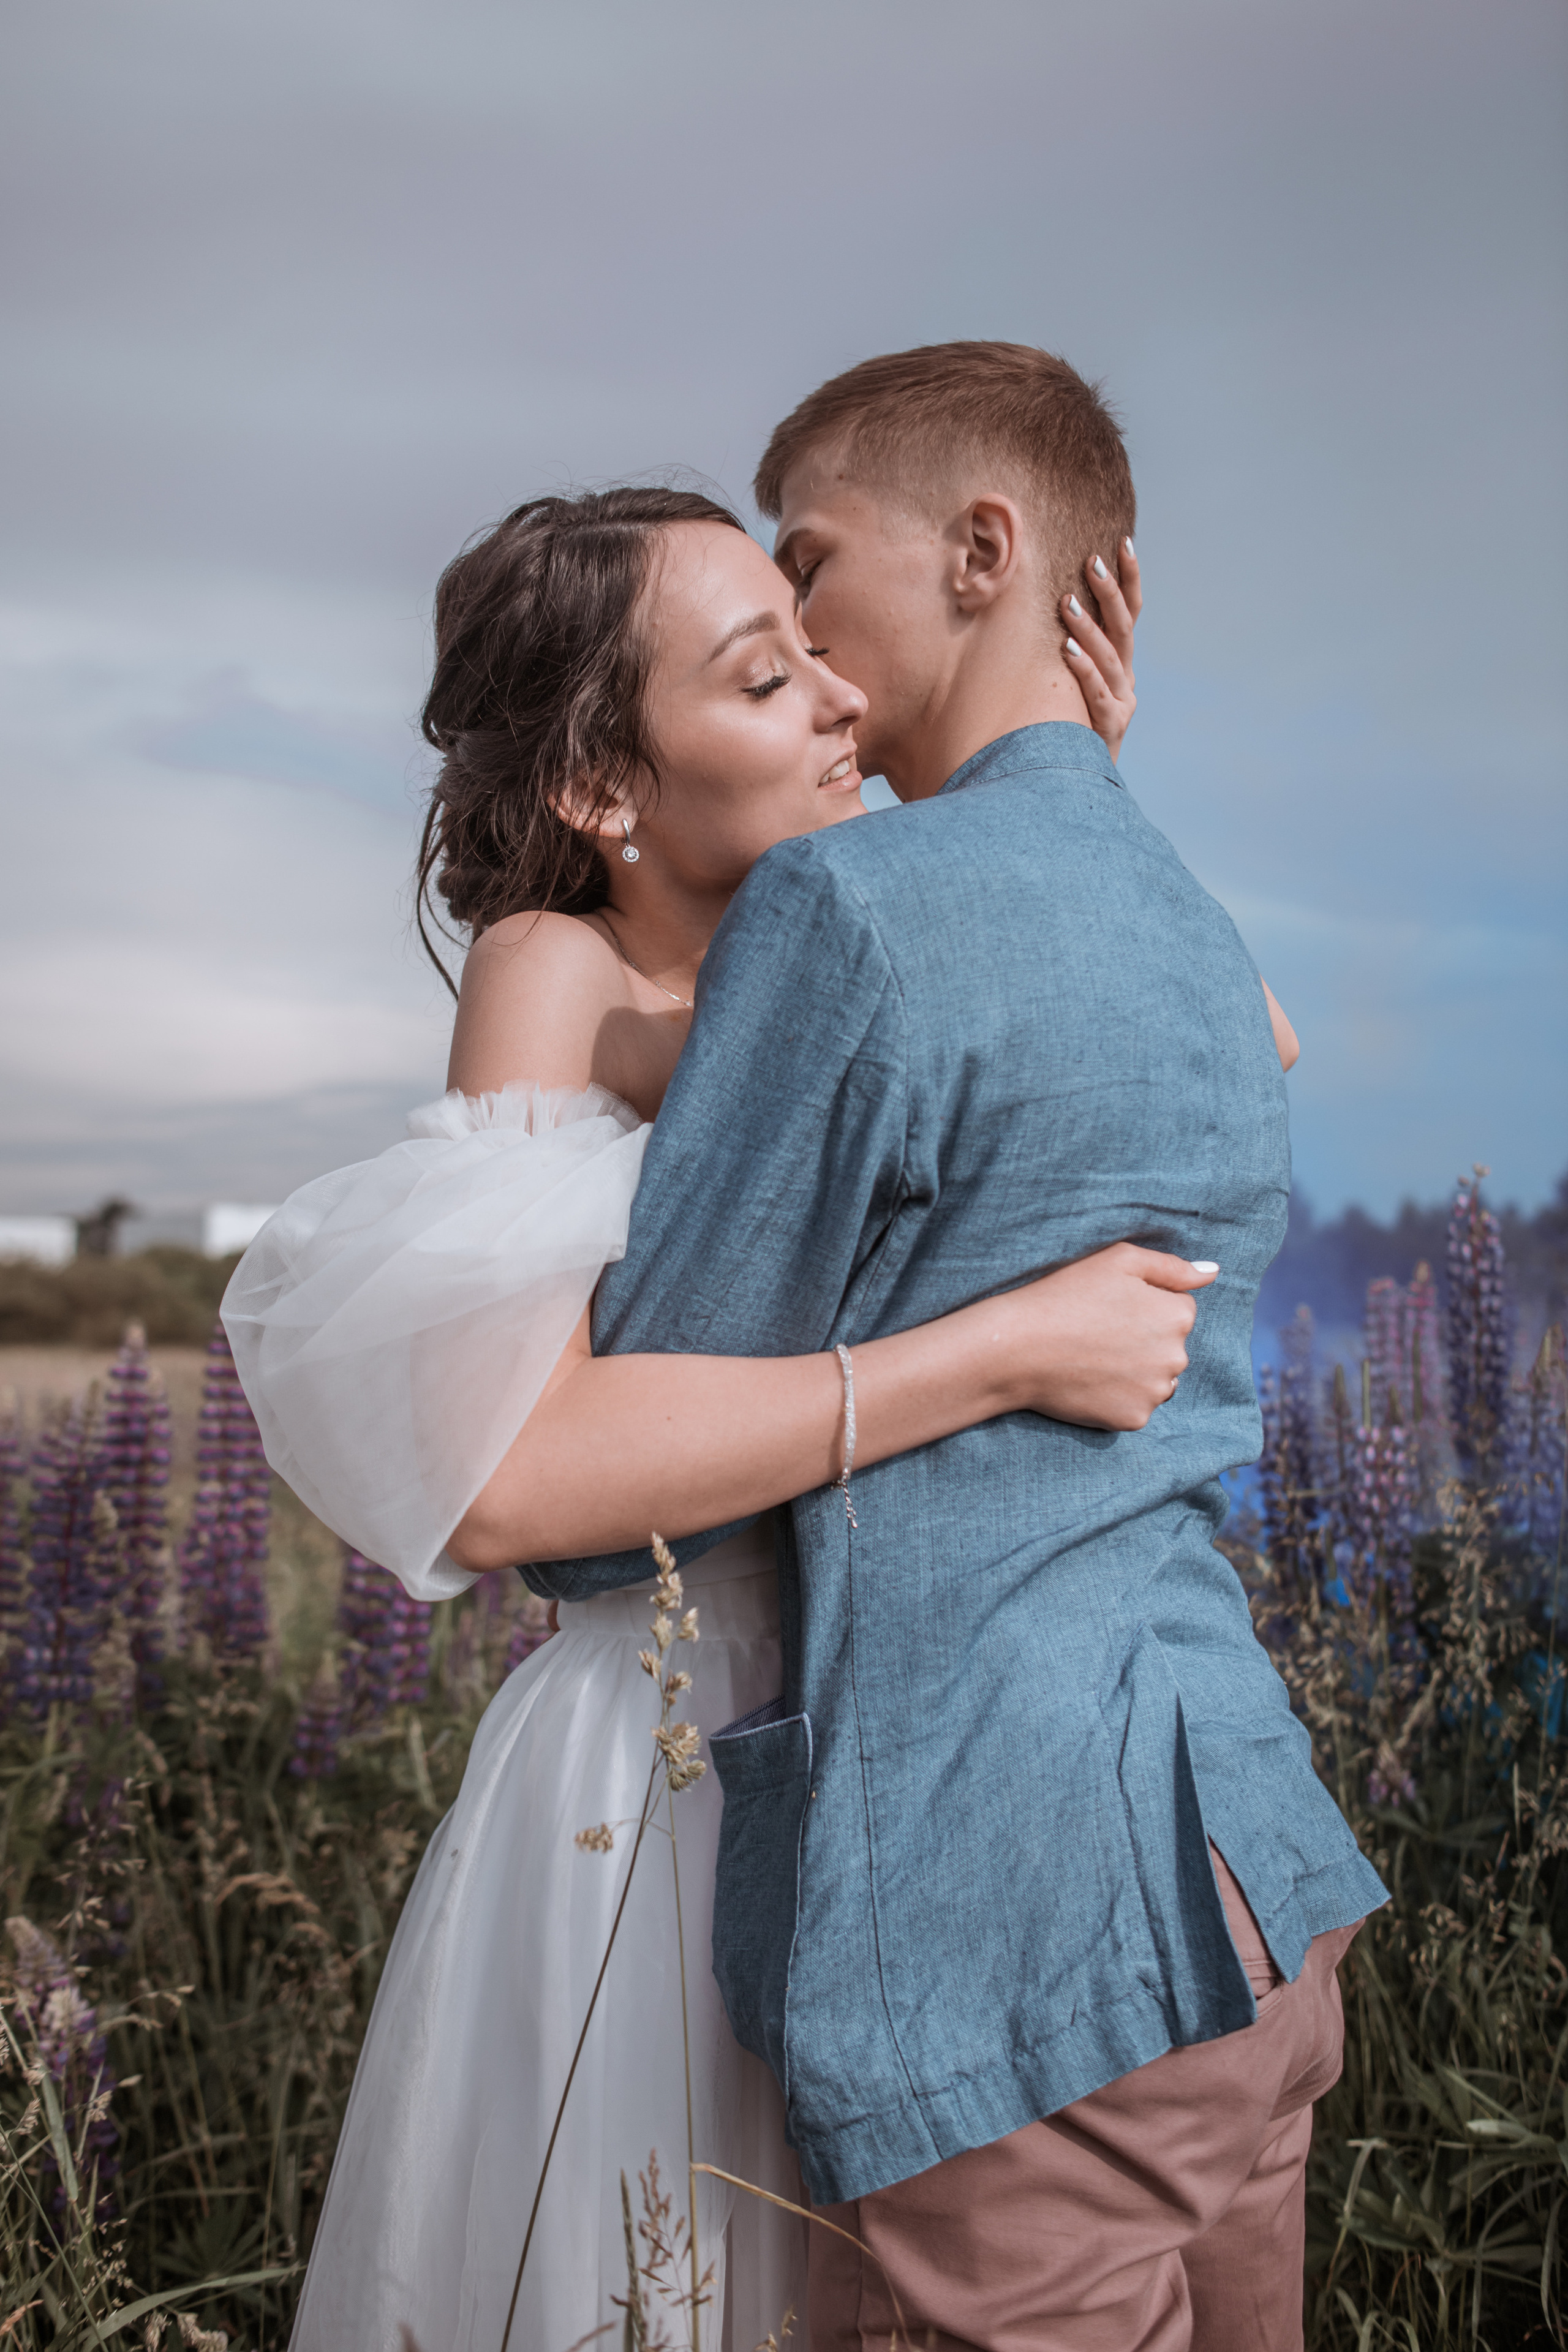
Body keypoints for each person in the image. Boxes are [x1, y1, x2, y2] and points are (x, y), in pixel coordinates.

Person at [225, 480, 1215, 2350]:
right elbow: (517, 1479)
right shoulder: (565, 970)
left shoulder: (844, 936)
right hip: (665, 1759)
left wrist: (1068, 789)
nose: (844, 702)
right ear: (608, 791)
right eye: (770, 681)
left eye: (826, 653)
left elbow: (1236, 1035)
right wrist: (1004, 1351)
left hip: (897, 1738)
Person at [504, 345, 1390, 2352]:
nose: (795, 630)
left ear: (985, 551)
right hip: (1252, 1879)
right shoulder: (1192, 920)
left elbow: (589, 1520)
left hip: (1010, 1940)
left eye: (810, 564)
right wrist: (1075, 753)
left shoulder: (848, 912)